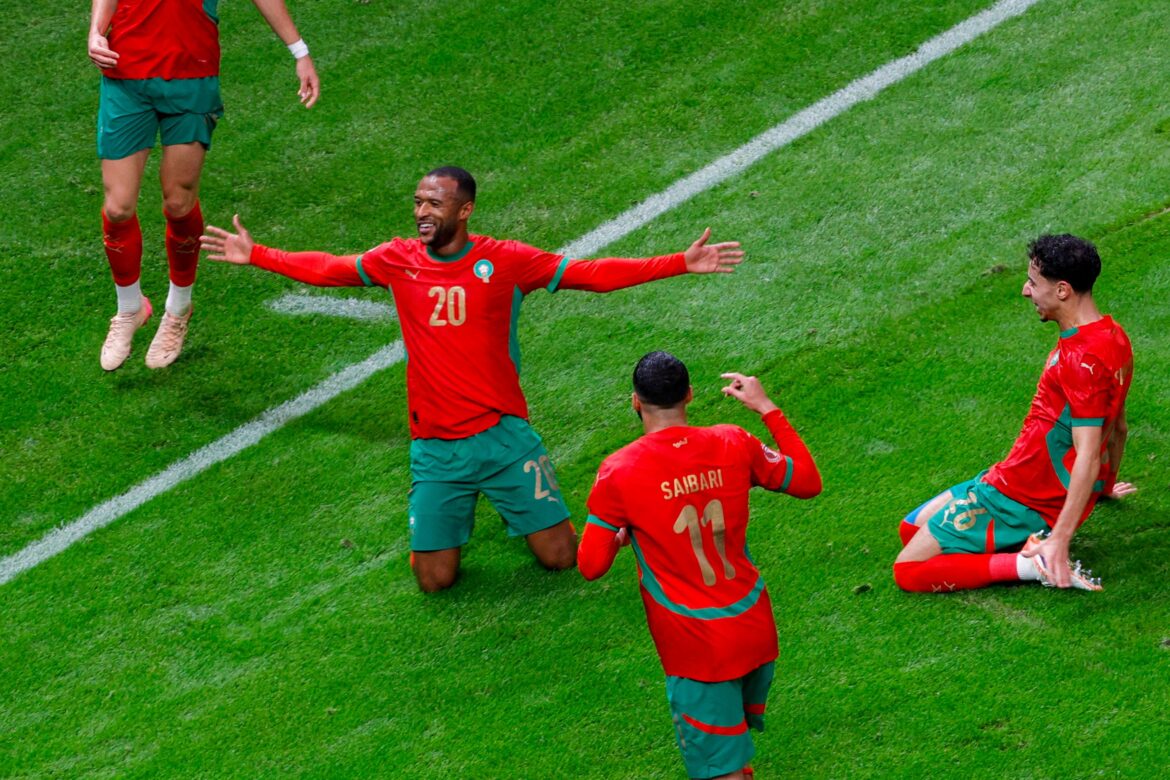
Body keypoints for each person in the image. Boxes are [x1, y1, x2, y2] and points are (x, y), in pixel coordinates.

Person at [200, 167, 745, 592]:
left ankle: (564, 520)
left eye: (434, 204)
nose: (422, 212)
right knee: (434, 580)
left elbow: (589, 274)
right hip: (436, 446)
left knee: (562, 558)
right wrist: (258, 255)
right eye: (418, 202)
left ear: (465, 210)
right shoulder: (396, 260)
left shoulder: (506, 262)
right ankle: (441, 524)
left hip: (504, 437)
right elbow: (329, 268)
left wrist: (678, 262)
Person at [578, 352, 822, 780]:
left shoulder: (619, 470)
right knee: (730, 754)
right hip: (754, 628)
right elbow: (807, 481)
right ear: (689, 395)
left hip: (698, 649)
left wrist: (620, 535)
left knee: (719, 771)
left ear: (635, 401)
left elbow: (591, 565)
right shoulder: (733, 440)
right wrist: (767, 407)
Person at [894, 234, 1134, 593]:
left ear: (1063, 290)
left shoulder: (1080, 360)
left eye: (1033, 283)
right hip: (1021, 480)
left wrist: (1061, 538)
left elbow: (1087, 450)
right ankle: (1029, 541)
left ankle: (1032, 563)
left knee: (909, 569)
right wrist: (1104, 486)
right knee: (909, 529)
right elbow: (1118, 427)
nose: (1026, 291)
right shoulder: (1114, 337)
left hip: (1019, 495)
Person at [90, 0, 320, 371]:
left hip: (191, 76)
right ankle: (130, 308)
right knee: (118, 207)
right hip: (126, 73)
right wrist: (96, 31)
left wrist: (300, 52)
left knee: (178, 202)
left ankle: (178, 309)